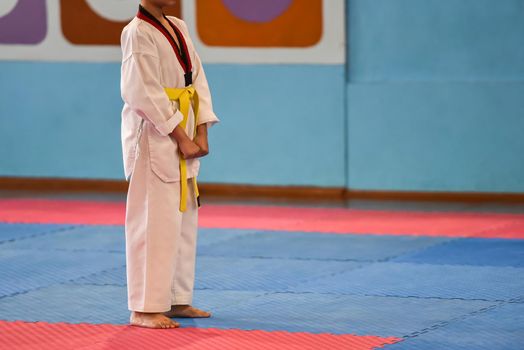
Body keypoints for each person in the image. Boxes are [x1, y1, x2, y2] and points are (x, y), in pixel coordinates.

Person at [120, 0, 220, 329]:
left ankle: (176, 298)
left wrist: (202, 128)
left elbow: (198, 81)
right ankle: (145, 308)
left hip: (186, 125)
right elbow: (142, 93)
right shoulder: (137, 33)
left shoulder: (178, 26)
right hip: (155, 133)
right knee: (154, 220)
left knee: (183, 217)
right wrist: (181, 136)